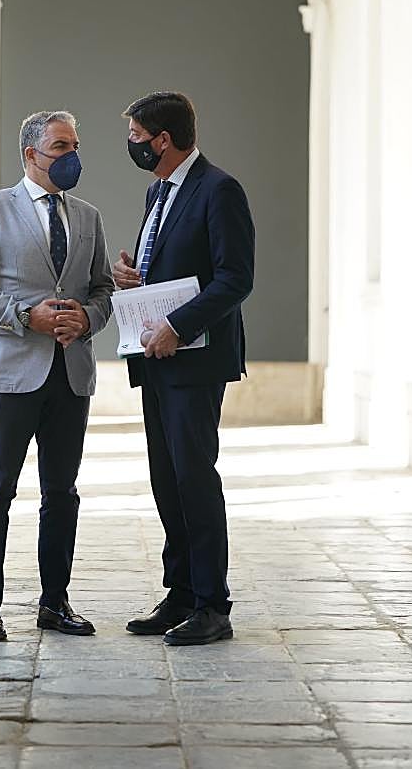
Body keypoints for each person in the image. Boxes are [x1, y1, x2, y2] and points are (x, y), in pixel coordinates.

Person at [0, 110, 114, 641]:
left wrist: (85, 319)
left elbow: (102, 290)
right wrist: (27, 316)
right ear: (31, 155)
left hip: (70, 373)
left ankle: (55, 601)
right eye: (61, 146)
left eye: (75, 145)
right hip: (10, 372)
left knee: (61, 492)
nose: (72, 156)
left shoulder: (88, 216)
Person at [113, 91, 255, 646]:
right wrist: (135, 275)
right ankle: (180, 592)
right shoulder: (158, 190)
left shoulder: (220, 190)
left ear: (162, 140)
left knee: (195, 478)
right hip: (156, 356)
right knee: (166, 479)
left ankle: (212, 605)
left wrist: (178, 325)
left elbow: (234, 278)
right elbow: (171, 264)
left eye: (135, 137)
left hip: (193, 359)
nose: (131, 145)